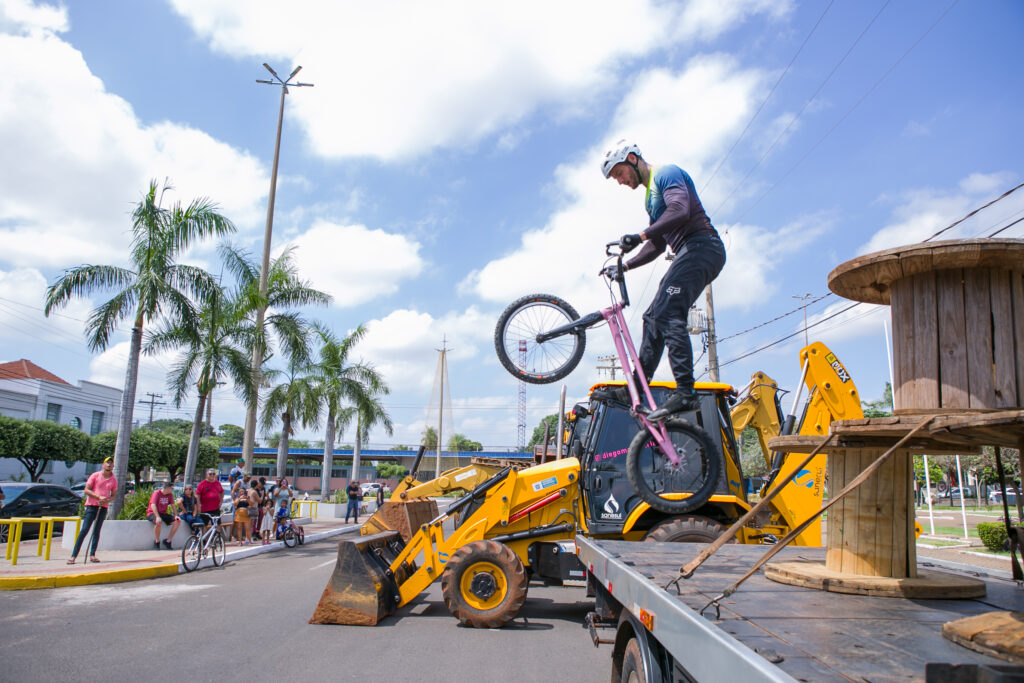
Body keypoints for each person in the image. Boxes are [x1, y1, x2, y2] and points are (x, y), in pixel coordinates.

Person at [600, 140, 727, 420]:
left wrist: (640, 235)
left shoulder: (666, 173)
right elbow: (658, 244)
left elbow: (680, 210)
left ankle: (685, 392)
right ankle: (635, 388)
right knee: (653, 317)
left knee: (670, 312)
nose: (620, 182)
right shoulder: (650, 199)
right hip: (689, 252)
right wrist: (626, 266)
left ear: (632, 159)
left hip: (702, 247)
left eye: (619, 174)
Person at [67, 457, 117, 564]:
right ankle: (73, 556)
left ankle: (92, 554)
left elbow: (113, 496)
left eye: (111, 463)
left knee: (96, 531)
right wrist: (98, 497)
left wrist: (106, 500)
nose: (109, 465)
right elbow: (86, 490)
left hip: (103, 507)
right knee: (84, 530)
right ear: (103, 465)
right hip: (91, 506)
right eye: (107, 463)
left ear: (113, 466)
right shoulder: (95, 475)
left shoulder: (113, 480)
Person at [146, 481, 181, 550]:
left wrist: (176, 515)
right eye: (172, 488)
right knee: (158, 522)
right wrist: (157, 516)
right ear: (167, 488)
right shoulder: (157, 493)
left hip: (163, 513)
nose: (172, 490)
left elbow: (173, 506)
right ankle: (157, 541)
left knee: (177, 521)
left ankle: (168, 541)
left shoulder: (170, 495)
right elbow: (153, 505)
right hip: (152, 513)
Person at [231, 474, 252, 545]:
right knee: (239, 527)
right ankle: (238, 540)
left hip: (246, 513)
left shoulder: (247, 497)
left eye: (243, 491)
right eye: (240, 492)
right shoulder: (238, 497)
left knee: (247, 527)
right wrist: (239, 498)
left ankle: (249, 540)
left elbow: (250, 504)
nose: (241, 493)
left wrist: (247, 498)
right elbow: (235, 503)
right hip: (239, 512)